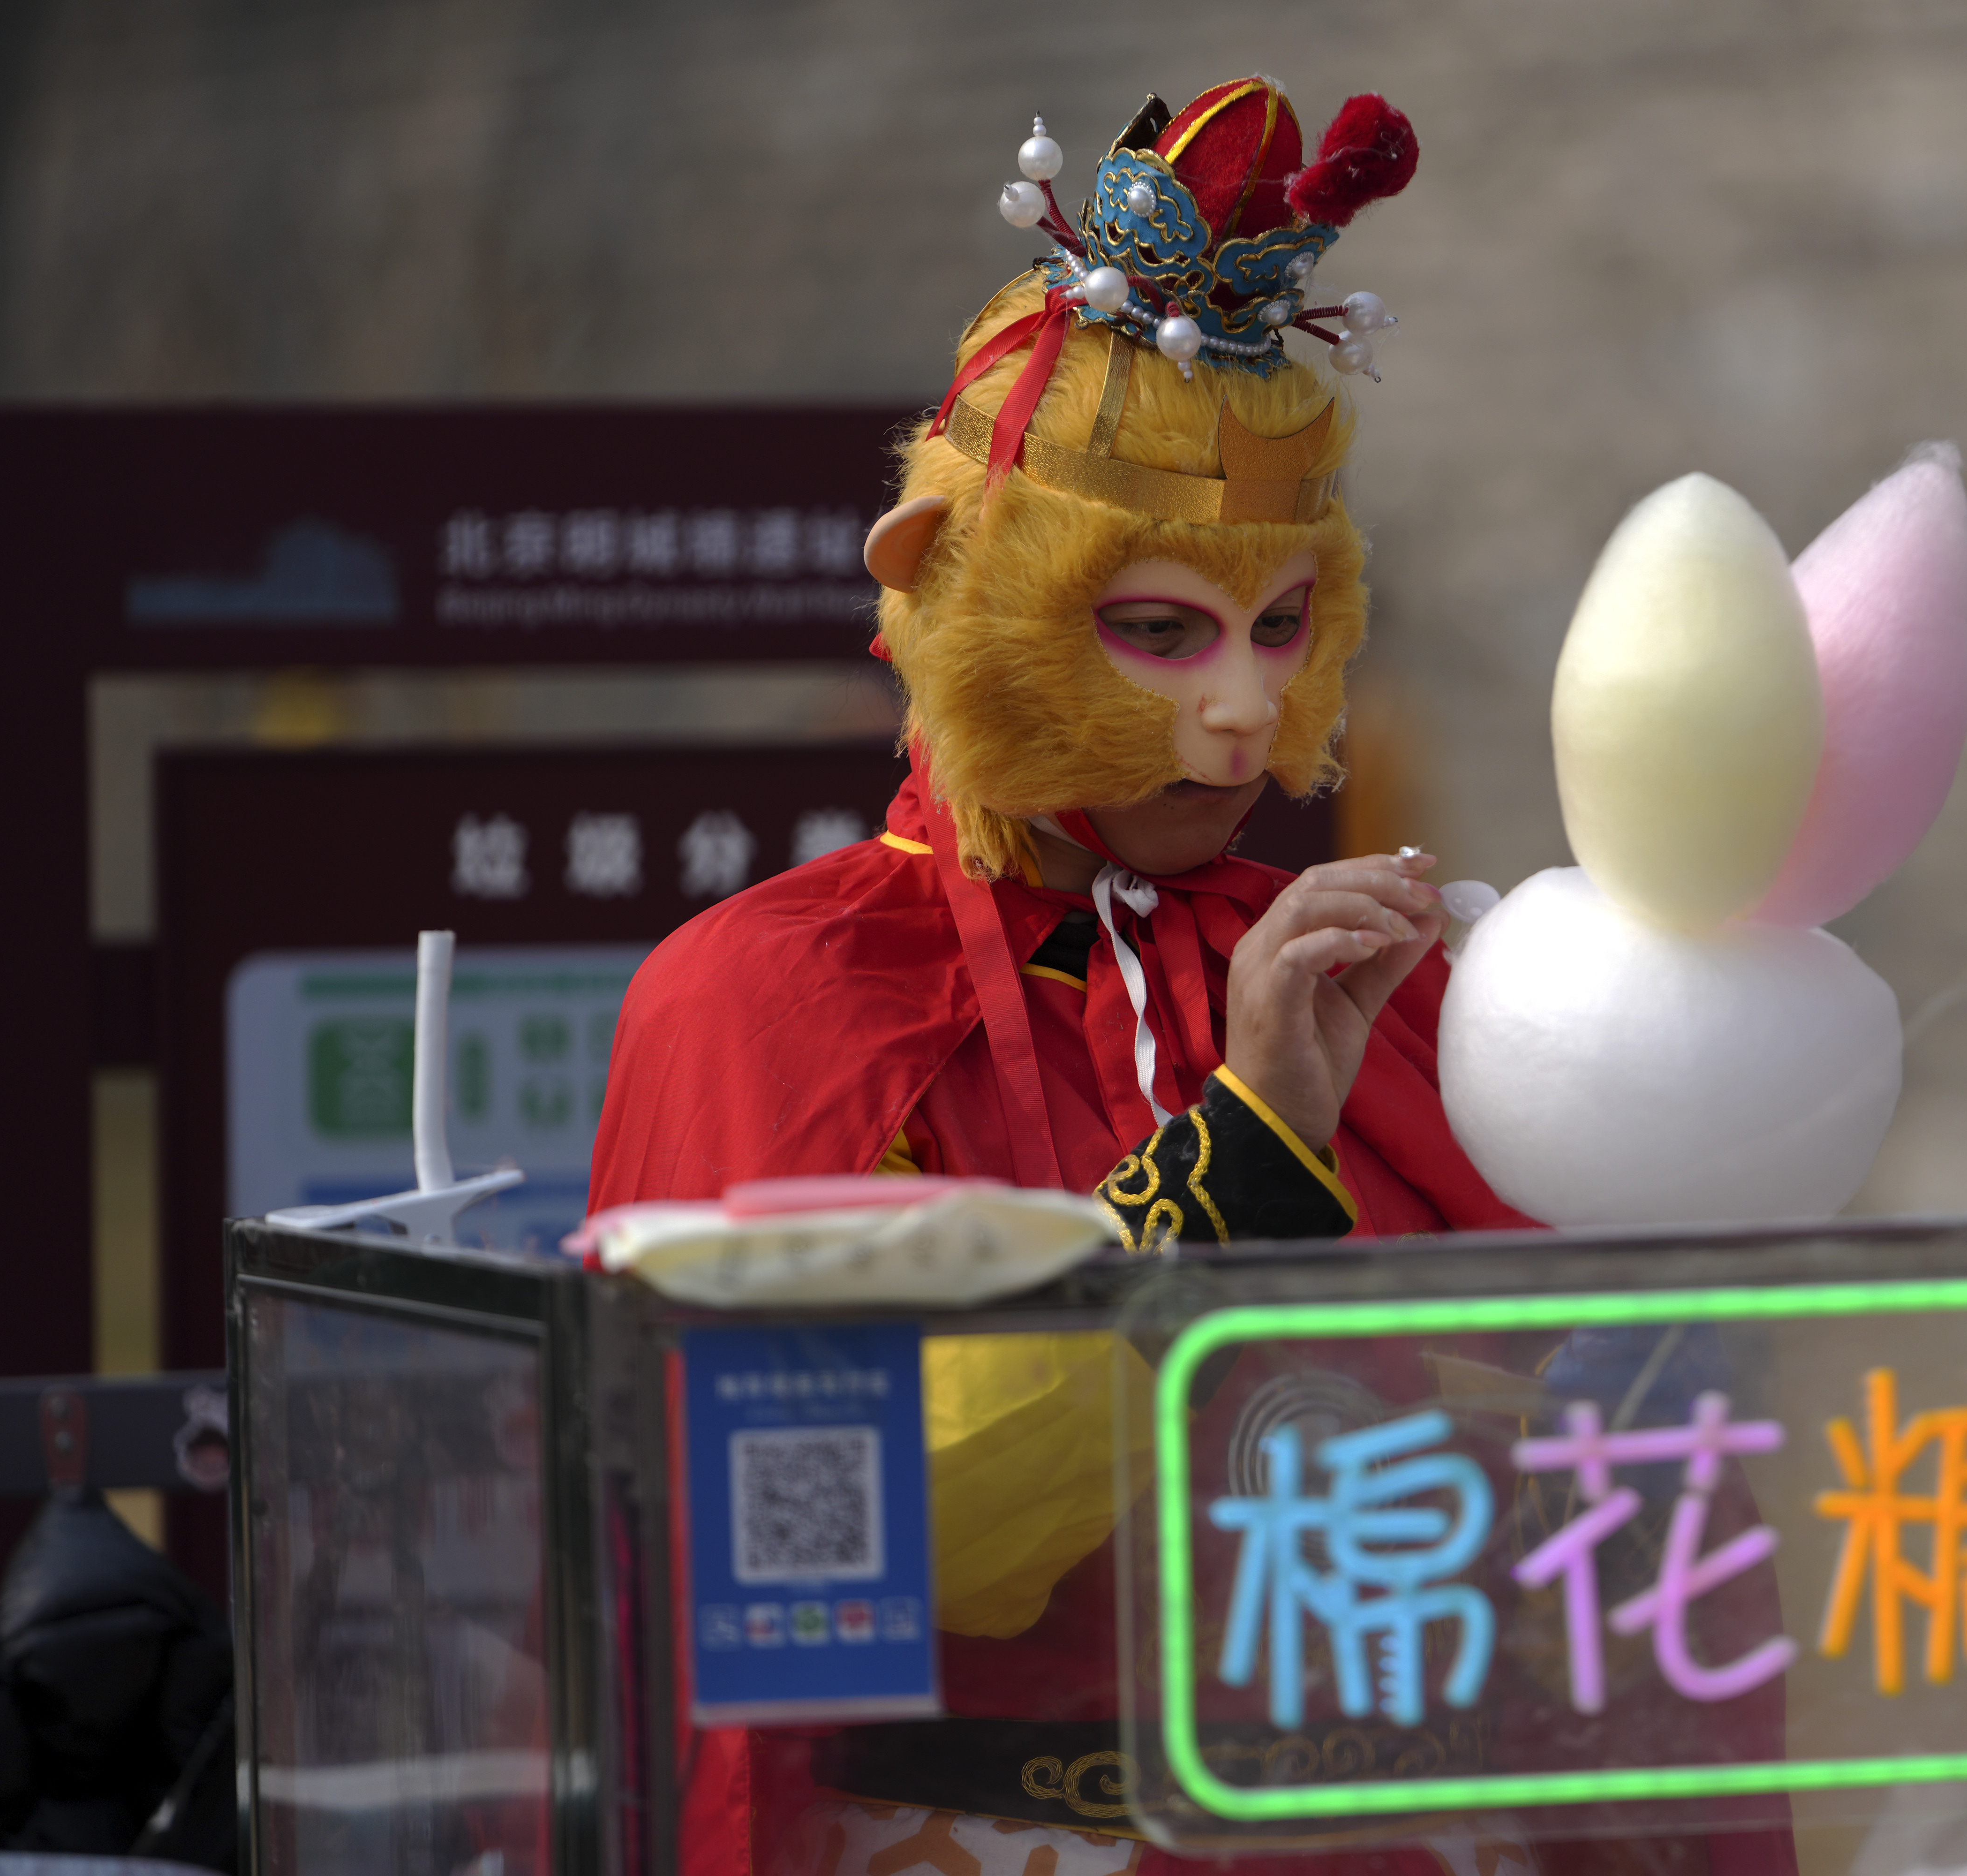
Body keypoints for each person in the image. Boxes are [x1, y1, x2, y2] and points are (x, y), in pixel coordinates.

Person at [589, 75, 1789, 1876]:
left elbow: (1608, 1537)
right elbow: (846, 1543)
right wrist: (1244, 1161)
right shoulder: (772, 1003)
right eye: (1158, 632)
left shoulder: (1359, 977)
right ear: (959, 593)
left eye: (1279, 627)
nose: (1240, 713)